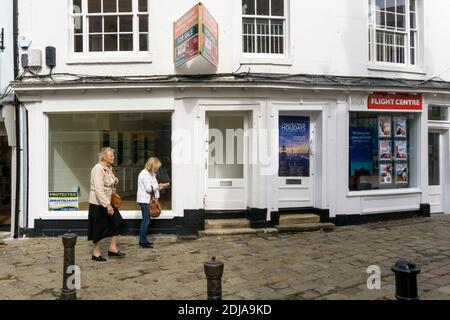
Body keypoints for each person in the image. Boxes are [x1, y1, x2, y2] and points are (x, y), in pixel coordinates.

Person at [88, 147, 128, 262]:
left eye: (113, 155)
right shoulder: (98, 169)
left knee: (117, 223)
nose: (113, 157)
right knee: (98, 228)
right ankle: (96, 253)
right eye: (111, 155)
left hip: (109, 201)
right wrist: (107, 205)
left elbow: (112, 181)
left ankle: (113, 248)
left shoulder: (108, 168)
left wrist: (114, 180)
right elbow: (99, 189)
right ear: (103, 156)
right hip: (99, 204)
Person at [137, 157, 170, 248]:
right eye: (156, 167)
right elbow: (149, 188)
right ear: (153, 166)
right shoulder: (145, 174)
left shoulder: (150, 174)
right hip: (145, 200)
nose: (157, 169)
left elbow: (152, 186)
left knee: (146, 220)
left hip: (147, 199)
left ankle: (143, 240)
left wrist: (161, 186)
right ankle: (143, 241)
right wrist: (160, 185)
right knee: (145, 220)